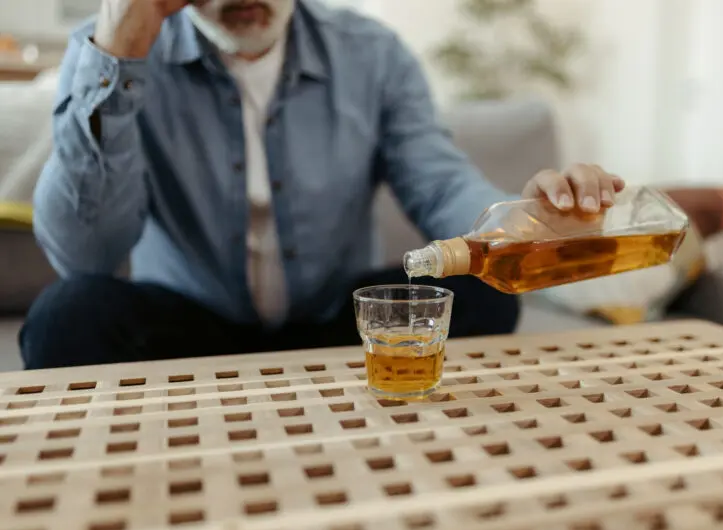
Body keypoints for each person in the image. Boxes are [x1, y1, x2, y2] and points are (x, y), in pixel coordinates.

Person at [20, 0, 624, 369]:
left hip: (337, 324)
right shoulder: (106, 51)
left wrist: (519, 224)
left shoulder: (372, 55)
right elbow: (85, 255)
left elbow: (437, 180)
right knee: (65, 316)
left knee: (485, 293)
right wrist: (120, 56)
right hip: (189, 331)